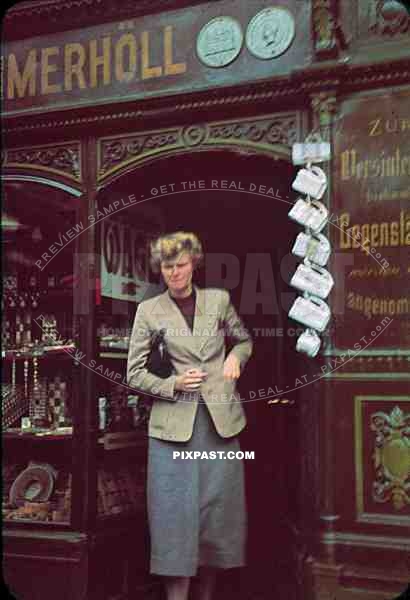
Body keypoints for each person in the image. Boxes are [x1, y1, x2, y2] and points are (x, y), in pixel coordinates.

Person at [127, 231, 253, 600]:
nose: (175, 273)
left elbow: (244, 340)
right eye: (167, 267)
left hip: (220, 424)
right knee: (173, 520)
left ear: (194, 263)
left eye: (181, 265)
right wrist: (174, 383)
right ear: (159, 269)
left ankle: (207, 595)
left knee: (216, 517)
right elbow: (133, 374)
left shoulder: (219, 300)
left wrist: (235, 357)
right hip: (172, 430)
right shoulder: (149, 311)